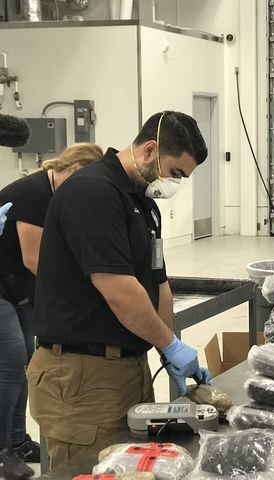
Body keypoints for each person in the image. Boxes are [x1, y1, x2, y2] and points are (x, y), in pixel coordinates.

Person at [27, 111, 212, 469]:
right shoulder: (92, 193)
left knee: (130, 468)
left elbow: (159, 283)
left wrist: (167, 347)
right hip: (82, 376)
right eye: (175, 172)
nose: (175, 184)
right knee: (88, 470)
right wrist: (169, 344)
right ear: (150, 150)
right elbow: (119, 291)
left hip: (127, 369)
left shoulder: (144, 204)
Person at [0, 143, 102, 480]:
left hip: (17, 286)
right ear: (73, 170)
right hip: (3, 284)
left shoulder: (57, 193)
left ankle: (17, 441)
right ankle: (1, 449)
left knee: (27, 362)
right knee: (12, 361)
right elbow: (35, 260)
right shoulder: (34, 193)